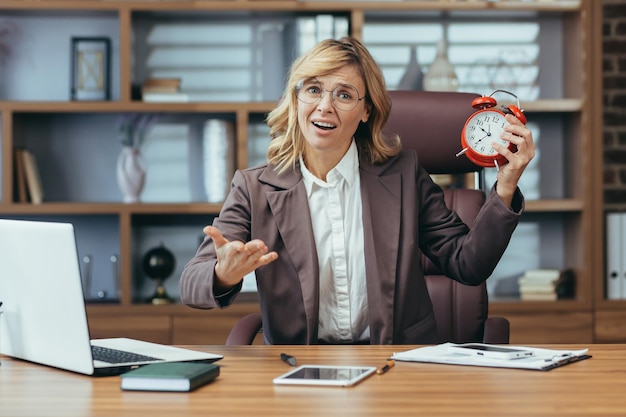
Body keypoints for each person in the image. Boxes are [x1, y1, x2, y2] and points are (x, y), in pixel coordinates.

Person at [179, 37, 535, 345]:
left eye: (344, 95)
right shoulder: (254, 187)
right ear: (297, 98)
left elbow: (467, 264)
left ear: (366, 111)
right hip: (300, 365)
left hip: (396, 362)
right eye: (313, 89)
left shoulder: (403, 175)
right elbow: (192, 284)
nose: (324, 106)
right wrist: (222, 273)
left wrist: (505, 186)